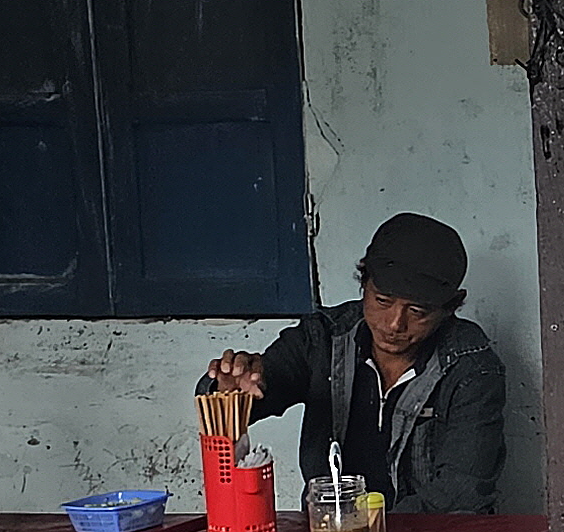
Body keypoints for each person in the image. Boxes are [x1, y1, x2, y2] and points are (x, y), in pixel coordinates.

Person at [198, 212, 508, 514]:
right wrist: (230, 393)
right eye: (382, 301)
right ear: (364, 285)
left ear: (449, 308)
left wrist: (363, 530)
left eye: (417, 311)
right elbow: (262, 387)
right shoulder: (322, 338)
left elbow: (461, 494)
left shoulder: (470, 367)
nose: (394, 324)